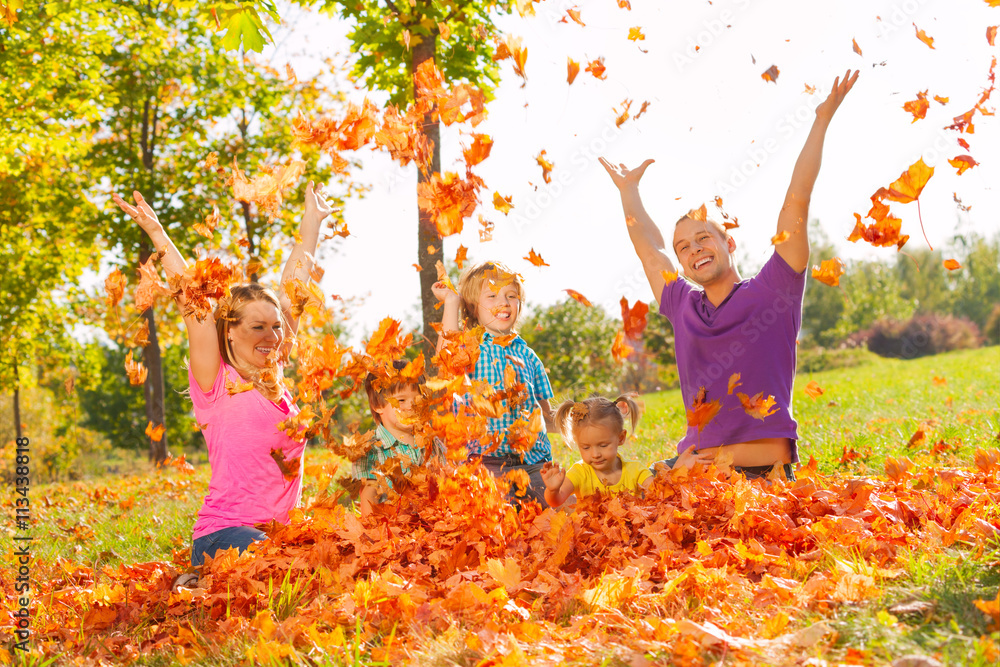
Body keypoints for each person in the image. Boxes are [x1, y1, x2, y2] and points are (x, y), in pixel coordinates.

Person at [600, 70, 859, 481]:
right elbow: (650, 252)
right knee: (629, 502)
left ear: (729, 244)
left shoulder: (775, 290)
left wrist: (821, 120)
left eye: (704, 238)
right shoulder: (681, 303)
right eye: (684, 246)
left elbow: (797, 200)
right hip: (695, 466)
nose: (693, 249)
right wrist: (628, 192)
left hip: (758, 468)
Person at [112, 181, 333, 575]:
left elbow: (292, 291)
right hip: (223, 534)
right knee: (279, 566)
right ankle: (201, 579)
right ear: (229, 330)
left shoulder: (275, 370)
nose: (272, 336)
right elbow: (191, 303)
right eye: (257, 327)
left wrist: (311, 226)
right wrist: (157, 234)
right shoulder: (216, 381)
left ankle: (216, 580)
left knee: (319, 560)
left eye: (276, 327)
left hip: (279, 535)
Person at [432, 261, 555, 504]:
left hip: (534, 462)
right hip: (486, 462)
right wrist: (451, 302)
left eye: (511, 295)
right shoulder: (471, 347)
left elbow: (546, 414)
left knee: (557, 515)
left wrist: (585, 421)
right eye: (491, 295)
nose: (504, 302)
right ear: (472, 307)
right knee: (498, 523)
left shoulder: (529, 356)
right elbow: (446, 362)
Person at [354, 359, 444, 515]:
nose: (411, 405)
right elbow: (369, 496)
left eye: (418, 399)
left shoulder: (431, 442)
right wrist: (372, 532)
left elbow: (446, 482)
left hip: (431, 526)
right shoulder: (371, 449)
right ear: (378, 405)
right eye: (401, 400)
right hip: (391, 529)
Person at [540, 395, 651, 508]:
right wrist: (553, 490)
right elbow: (556, 501)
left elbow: (660, 491)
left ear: (621, 438)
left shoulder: (636, 471)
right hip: (589, 525)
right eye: (586, 447)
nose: (595, 454)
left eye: (603, 445)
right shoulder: (579, 473)